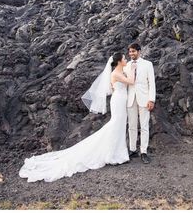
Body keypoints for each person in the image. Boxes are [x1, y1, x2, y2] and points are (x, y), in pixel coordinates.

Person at [19, 52, 135, 182]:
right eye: (124, 58)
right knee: (115, 125)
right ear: (119, 61)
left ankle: (117, 153)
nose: (126, 59)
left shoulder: (119, 72)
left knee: (118, 126)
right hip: (118, 100)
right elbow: (131, 81)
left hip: (120, 99)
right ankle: (113, 155)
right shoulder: (115, 74)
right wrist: (132, 69)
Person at [124, 43, 156, 164]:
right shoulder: (126, 66)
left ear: (139, 51)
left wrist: (151, 99)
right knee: (131, 126)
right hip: (130, 99)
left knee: (144, 126)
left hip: (144, 98)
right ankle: (132, 150)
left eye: (133, 51)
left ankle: (143, 152)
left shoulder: (148, 64)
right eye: (130, 52)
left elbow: (152, 83)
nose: (131, 54)